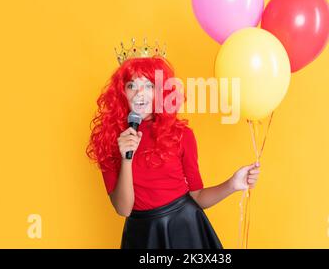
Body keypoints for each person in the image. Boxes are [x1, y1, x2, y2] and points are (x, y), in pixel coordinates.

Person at [86, 42, 260, 249]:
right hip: (143, 236)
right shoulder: (108, 139)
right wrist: (126, 158)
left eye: (149, 86)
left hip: (185, 229)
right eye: (132, 85)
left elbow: (197, 196)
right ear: (122, 92)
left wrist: (232, 184)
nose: (139, 93)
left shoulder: (181, 135)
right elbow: (123, 209)